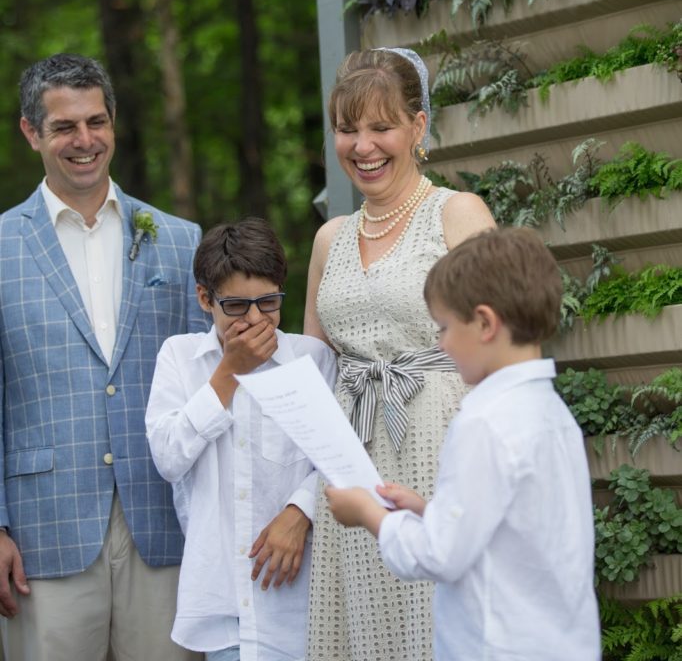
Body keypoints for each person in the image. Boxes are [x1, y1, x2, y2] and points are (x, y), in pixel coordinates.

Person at [0, 53, 207, 661]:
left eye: (96, 122)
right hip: (45, 532)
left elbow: (204, 386)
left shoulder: (177, 240)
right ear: (31, 133)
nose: (84, 141)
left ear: (113, 122)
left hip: (163, 521)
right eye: (64, 127)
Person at [326, 227, 602, 661]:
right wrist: (426, 511)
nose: (439, 344)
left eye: (443, 328)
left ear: (486, 323)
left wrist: (369, 514)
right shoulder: (551, 413)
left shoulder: (483, 421)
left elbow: (440, 555)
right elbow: (511, 527)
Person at [303, 47, 496, 661]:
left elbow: (503, 351)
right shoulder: (329, 238)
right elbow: (313, 369)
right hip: (353, 456)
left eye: (381, 127)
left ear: (418, 126)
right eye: (347, 129)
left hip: (440, 442)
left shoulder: (457, 214)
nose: (363, 146)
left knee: (439, 622)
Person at [146, 218, 337, 661]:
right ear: (204, 298)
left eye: (268, 302)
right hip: (223, 605)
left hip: (302, 604)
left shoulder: (313, 360)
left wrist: (300, 511)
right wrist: (228, 372)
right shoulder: (179, 358)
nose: (254, 319)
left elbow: (337, 457)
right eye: (235, 306)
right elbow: (168, 458)